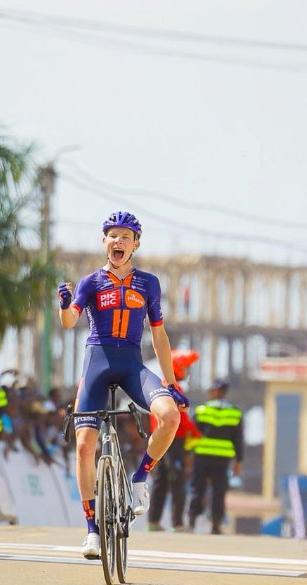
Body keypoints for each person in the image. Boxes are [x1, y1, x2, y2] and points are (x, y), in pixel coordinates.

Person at [58, 210, 191, 559]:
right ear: (104, 241)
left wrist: (171, 382)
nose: (118, 242)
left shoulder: (148, 283)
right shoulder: (90, 282)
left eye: (126, 237)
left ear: (136, 245)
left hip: (132, 366)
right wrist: (64, 305)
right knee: (84, 447)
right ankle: (91, 530)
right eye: (113, 236)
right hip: (97, 365)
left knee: (170, 416)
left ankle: (140, 477)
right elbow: (69, 321)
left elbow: (159, 335)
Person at [147, 349, 202, 532]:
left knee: (160, 480)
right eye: (185, 367)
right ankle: (178, 523)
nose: (187, 371)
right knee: (177, 480)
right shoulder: (174, 390)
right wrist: (196, 432)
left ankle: (153, 521)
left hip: (159, 439)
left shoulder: (158, 387)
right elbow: (182, 420)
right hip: (174, 441)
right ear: (177, 368)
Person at [187, 378, 244, 535]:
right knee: (219, 491)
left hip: (202, 456)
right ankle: (216, 526)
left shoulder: (201, 410)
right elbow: (238, 439)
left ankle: (191, 523)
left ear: (215, 391)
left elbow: (192, 434)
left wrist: (188, 453)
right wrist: (239, 461)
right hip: (222, 459)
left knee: (197, 488)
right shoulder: (234, 412)